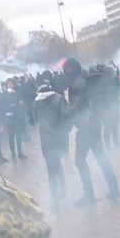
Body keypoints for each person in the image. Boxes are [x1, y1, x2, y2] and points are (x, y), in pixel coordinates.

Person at [63, 58, 120, 206]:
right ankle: (115, 190)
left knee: (79, 160)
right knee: (101, 158)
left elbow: (79, 105)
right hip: (94, 124)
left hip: (87, 126)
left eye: (67, 70)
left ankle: (89, 195)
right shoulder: (85, 78)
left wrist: (68, 114)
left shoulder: (78, 82)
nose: (66, 73)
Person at [34, 82, 72, 211]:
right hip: (59, 137)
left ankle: (55, 202)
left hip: (46, 140)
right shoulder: (59, 98)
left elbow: (32, 120)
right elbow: (68, 116)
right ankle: (63, 187)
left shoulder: (36, 103)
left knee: (51, 170)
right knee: (58, 163)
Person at [0, 79, 27, 160]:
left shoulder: (17, 93)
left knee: (18, 136)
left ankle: (20, 152)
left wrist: (21, 104)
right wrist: (9, 107)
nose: (9, 85)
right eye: (8, 84)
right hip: (8, 118)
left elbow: (21, 102)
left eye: (11, 83)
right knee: (11, 137)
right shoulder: (4, 94)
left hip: (17, 117)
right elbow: (2, 105)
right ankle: (13, 153)